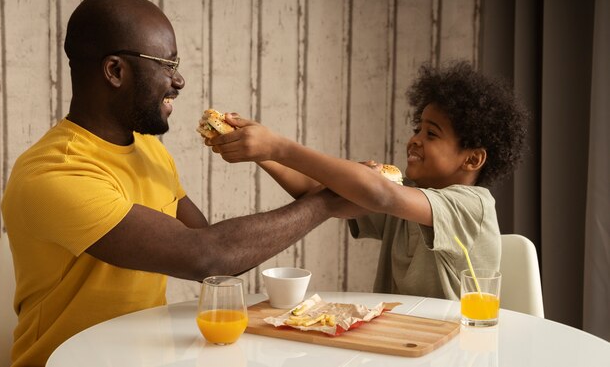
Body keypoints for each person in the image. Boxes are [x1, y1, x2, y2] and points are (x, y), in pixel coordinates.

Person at [0, 0, 361, 367]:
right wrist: (326, 203)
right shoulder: (54, 172)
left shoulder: (150, 151)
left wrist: (267, 156)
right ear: (115, 71)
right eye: (166, 65)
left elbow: (219, 262)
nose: (179, 81)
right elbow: (207, 255)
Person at [207, 60, 527, 301]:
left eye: (431, 134)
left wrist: (280, 146)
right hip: (401, 345)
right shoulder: (410, 197)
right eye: (417, 128)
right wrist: (260, 152)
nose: (415, 140)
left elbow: (380, 195)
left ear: (472, 159)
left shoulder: (472, 206)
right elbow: (315, 191)